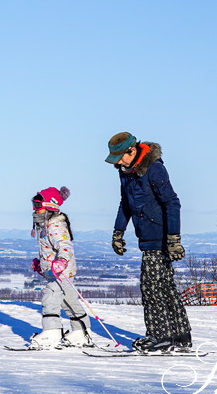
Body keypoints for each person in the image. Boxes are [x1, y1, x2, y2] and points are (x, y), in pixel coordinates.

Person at [106, 131, 192, 353]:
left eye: (120, 157)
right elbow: (125, 203)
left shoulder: (154, 168)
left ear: (132, 150)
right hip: (145, 237)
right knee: (165, 287)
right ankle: (180, 335)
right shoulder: (124, 172)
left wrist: (174, 238)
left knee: (151, 288)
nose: (117, 162)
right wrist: (118, 232)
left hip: (160, 237)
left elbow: (172, 203)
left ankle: (159, 336)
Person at [26, 186, 95, 349]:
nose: (34, 209)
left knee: (50, 297)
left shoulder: (55, 225)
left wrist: (61, 261)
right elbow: (49, 249)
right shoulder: (44, 225)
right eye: (34, 204)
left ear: (50, 206)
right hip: (56, 271)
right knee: (68, 301)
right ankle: (81, 332)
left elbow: (65, 245)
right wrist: (42, 263)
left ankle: (52, 332)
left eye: (37, 205)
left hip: (61, 272)